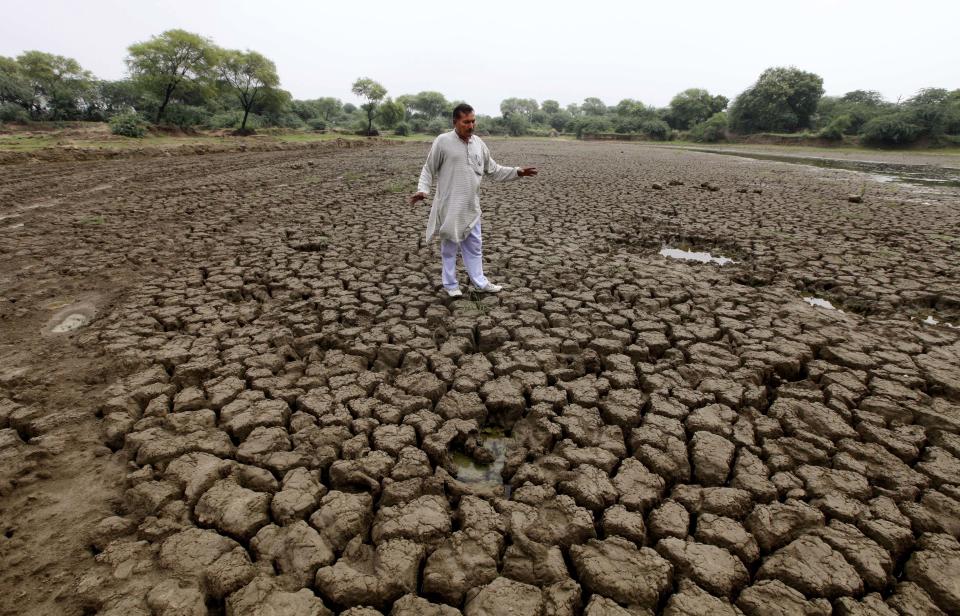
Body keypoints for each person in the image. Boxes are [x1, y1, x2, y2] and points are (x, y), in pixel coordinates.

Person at [410, 103, 537, 297]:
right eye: (466, 122)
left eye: (473, 121)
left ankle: (480, 282)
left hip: (471, 207)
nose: (471, 126)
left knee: (475, 247)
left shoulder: (478, 143)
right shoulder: (443, 141)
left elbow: (493, 170)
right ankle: (451, 286)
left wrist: (517, 172)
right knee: (449, 247)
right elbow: (428, 168)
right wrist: (423, 190)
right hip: (450, 206)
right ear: (455, 122)